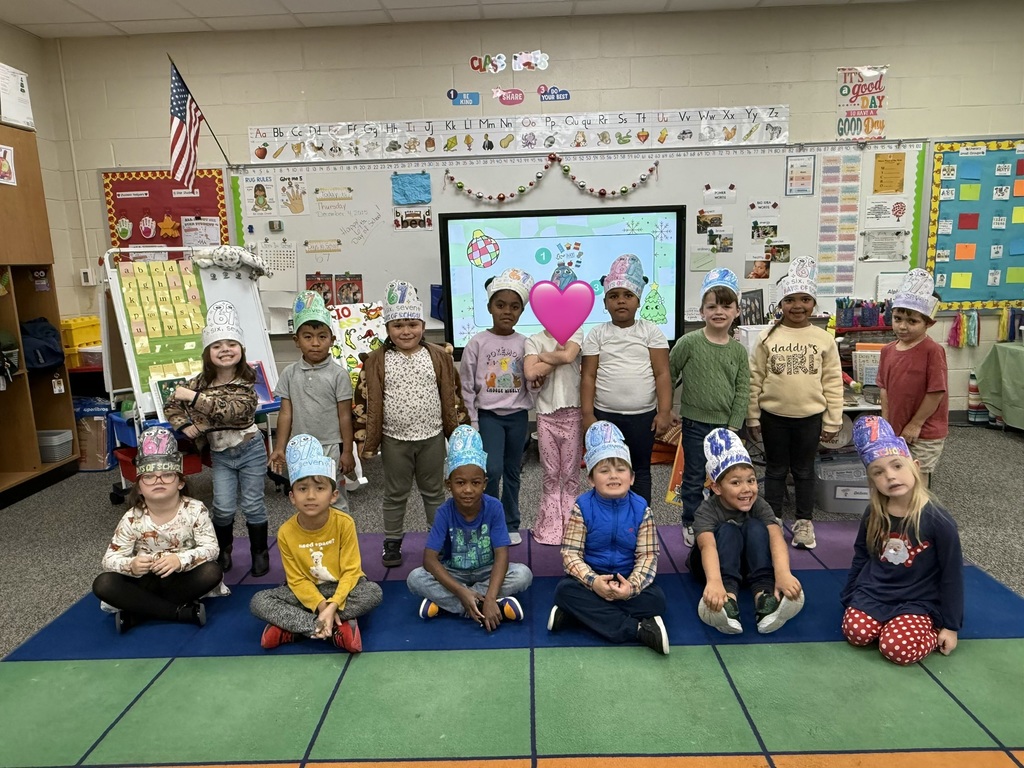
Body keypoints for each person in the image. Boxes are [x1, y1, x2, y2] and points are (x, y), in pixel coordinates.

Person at [353, 279, 469, 568]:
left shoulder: (438, 357)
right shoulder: (377, 361)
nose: (406, 331)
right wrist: (361, 437)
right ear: (387, 328)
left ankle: (438, 539)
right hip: (395, 440)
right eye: (398, 325)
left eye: (412, 324)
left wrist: (461, 431)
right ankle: (392, 541)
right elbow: (364, 401)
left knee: (434, 493)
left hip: (432, 437)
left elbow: (454, 395)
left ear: (422, 325)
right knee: (395, 494)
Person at [840, 415, 963, 665]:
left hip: (918, 598)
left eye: (897, 466)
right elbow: (862, 555)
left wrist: (950, 626)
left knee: (896, 649)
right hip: (876, 591)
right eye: (879, 472)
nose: (890, 476)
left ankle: (919, 628)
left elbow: (952, 575)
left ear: (915, 467)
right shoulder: (874, 513)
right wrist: (850, 594)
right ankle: (888, 625)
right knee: (856, 632)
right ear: (872, 481)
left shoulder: (938, 521)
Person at [164, 301, 270, 577]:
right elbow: (172, 403)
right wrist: (185, 423)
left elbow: (235, 412)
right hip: (221, 455)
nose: (225, 349)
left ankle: (260, 552)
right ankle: (223, 550)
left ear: (241, 350)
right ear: (208, 353)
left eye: (231, 344)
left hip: (250, 450)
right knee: (222, 507)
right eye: (217, 345)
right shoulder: (199, 382)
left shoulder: (248, 381)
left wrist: (195, 401)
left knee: (253, 504)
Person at [250, 434, 383, 651]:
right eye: (303, 489)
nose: (311, 496)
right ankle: (331, 628)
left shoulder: (344, 523)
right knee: (259, 601)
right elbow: (296, 580)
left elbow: (352, 571)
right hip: (307, 591)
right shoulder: (285, 532)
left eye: (320, 489)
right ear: (292, 497)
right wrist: (323, 606)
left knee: (373, 592)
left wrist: (334, 603)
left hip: (345, 588)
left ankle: (293, 627)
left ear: (333, 495)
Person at [548, 421, 670, 655]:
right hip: (590, 580)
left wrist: (631, 587)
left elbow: (648, 555)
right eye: (604, 470)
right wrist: (594, 581)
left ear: (632, 477)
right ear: (591, 479)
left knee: (657, 599)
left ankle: (579, 615)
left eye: (621, 469)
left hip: (627, 577)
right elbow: (571, 553)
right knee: (564, 591)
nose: (613, 476)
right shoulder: (582, 507)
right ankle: (636, 629)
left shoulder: (641, 508)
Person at [747, 257, 843, 550]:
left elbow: (833, 382)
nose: (797, 306)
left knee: (803, 470)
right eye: (790, 300)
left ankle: (804, 522)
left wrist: (833, 420)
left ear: (813, 303)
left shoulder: (823, 339)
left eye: (805, 299)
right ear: (781, 303)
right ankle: (772, 519)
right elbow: (754, 379)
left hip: (810, 418)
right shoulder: (767, 337)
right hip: (773, 416)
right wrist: (752, 417)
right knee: (775, 470)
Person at [93, 427, 222, 633]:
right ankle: (179, 612)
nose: (158, 481)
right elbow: (109, 559)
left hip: (181, 577)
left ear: (180, 482)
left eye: (167, 475)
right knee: (103, 583)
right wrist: (132, 565)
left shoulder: (195, 509)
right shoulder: (132, 518)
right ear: (140, 487)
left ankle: (139, 611)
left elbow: (211, 549)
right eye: (149, 477)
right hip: (145, 580)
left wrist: (180, 560)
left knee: (211, 571)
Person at [407, 425, 533, 629]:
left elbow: (502, 554)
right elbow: (429, 560)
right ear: (449, 484)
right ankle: (484, 607)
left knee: (523, 574)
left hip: (487, 572)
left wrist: (490, 596)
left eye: (475, 483)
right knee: (415, 578)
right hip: (454, 573)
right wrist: (461, 590)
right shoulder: (444, 512)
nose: (467, 490)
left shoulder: (494, 507)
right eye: (460, 483)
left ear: (484, 483)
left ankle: (449, 605)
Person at [690, 428, 804, 634]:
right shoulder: (707, 510)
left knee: (756, 526)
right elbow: (707, 546)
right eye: (736, 483)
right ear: (717, 488)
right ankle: (726, 601)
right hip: (713, 565)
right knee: (727, 530)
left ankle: (765, 598)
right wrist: (714, 582)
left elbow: (776, 537)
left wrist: (783, 574)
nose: (746, 489)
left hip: (748, 564)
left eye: (751, 480)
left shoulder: (759, 504)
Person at [581, 254, 675, 506]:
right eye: (614, 296)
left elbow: (662, 373)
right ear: (605, 302)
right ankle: (607, 514)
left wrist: (664, 411)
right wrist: (588, 414)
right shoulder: (597, 334)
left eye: (627, 295)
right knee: (605, 467)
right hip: (605, 415)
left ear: (638, 300)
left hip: (643, 416)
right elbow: (588, 376)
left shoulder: (651, 332)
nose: (620, 301)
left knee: (640, 468)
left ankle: (641, 517)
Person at [669, 268, 750, 547]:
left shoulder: (738, 351)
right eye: (711, 305)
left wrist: (734, 425)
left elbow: (742, 388)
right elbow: (668, 373)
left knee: (726, 477)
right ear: (702, 311)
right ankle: (691, 522)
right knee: (693, 476)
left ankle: (721, 520)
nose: (719, 311)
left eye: (726, 306)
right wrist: (666, 409)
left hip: (727, 426)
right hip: (693, 422)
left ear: (736, 311)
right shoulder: (689, 342)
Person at [460, 267, 536, 545]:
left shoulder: (526, 343)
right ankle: (489, 521)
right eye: (501, 305)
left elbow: (530, 382)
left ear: (521, 311)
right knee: (491, 470)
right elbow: (467, 384)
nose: (507, 311)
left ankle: (510, 522)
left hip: (518, 416)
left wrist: (538, 380)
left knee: (513, 470)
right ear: (490, 307)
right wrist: (473, 420)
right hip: (488, 416)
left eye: (515, 307)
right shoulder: (477, 343)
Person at [268, 290, 355, 512]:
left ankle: (340, 541)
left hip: (330, 446)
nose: (315, 343)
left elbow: (345, 415)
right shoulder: (289, 373)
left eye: (322, 337)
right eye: (308, 337)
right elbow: (286, 414)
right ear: (297, 340)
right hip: (300, 447)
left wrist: (347, 451)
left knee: (334, 496)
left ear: (331, 340)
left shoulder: (338, 375)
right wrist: (280, 447)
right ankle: (312, 540)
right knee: (305, 496)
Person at [524, 279, 583, 545]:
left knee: (570, 474)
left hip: (572, 414)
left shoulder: (577, 333)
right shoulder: (532, 340)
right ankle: (548, 528)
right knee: (550, 474)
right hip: (546, 415)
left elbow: (569, 357)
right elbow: (530, 371)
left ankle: (572, 529)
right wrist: (555, 355)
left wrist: (544, 357)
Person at [877, 269, 948, 488]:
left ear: (928, 323)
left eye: (912, 321)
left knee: (917, 479)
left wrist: (915, 424)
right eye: (897, 318)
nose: (902, 326)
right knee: (897, 477)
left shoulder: (932, 351)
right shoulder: (888, 351)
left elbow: (936, 392)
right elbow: (884, 390)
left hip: (924, 431)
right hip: (896, 428)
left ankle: (919, 520)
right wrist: (887, 425)